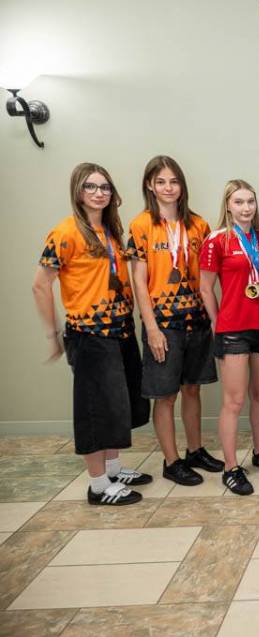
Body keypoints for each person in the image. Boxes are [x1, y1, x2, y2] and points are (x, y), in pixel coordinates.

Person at [32, 163, 152, 506]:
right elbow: (40, 285)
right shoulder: (65, 232)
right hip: (90, 335)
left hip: (120, 329)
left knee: (118, 405)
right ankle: (98, 485)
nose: (99, 193)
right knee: (96, 410)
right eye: (91, 186)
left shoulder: (110, 231)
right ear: (78, 191)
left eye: (105, 187)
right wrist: (53, 334)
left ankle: (113, 469)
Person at [127, 156, 223, 487]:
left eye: (174, 181)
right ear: (149, 186)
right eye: (161, 182)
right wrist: (152, 328)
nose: (168, 188)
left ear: (182, 186)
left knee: (192, 389)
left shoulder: (199, 225)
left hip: (197, 320)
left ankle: (194, 450)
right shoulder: (141, 225)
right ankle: (171, 461)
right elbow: (139, 281)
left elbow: (209, 276)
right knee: (166, 396)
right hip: (163, 323)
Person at [199, 180, 259, 495]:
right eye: (239, 202)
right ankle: (231, 467)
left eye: (250, 201)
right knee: (233, 401)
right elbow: (205, 287)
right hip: (233, 330)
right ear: (228, 205)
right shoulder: (216, 240)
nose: (246, 208)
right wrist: (217, 322)